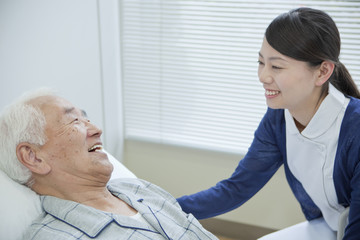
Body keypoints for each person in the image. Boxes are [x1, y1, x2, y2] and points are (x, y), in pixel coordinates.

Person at [177, 7, 360, 240]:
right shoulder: (278, 119)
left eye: (277, 66)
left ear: (322, 71)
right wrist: (159, 207)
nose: (263, 76)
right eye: (261, 62)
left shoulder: (355, 129)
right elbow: (236, 188)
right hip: (331, 225)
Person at [0, 89, 218, 240]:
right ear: (33, 157)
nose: (96, 129)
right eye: (74, 121)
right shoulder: (54, 236)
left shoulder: (140, 189)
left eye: (86, 119)